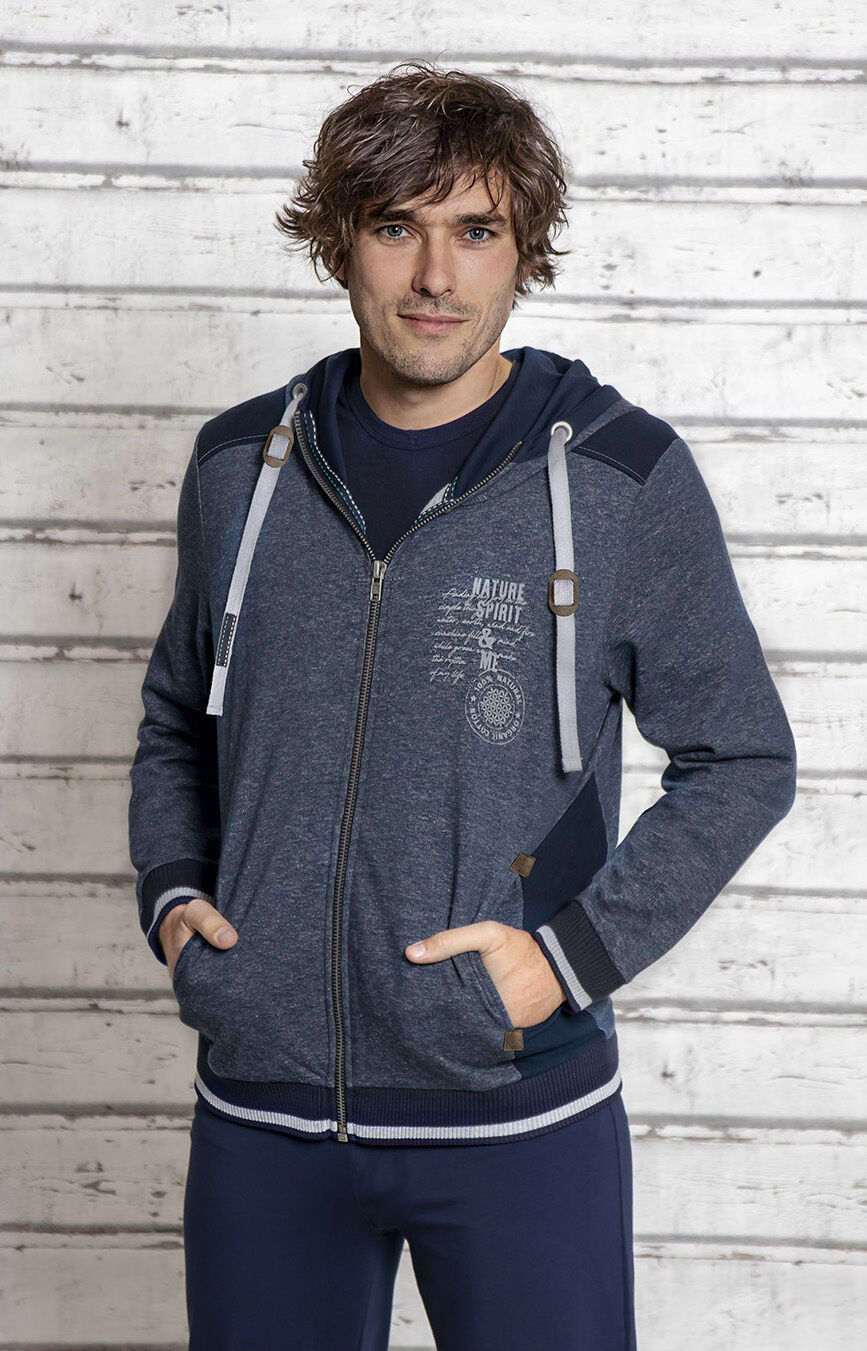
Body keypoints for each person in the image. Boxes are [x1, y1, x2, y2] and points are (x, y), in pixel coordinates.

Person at [128, 60, 797, 1351]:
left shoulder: (621, 478)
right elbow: (174, 714)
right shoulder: (235, 469)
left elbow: (743, 757)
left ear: (524, 250)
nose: (436, 275)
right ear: (339, 240)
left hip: (516, 1115)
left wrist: (564, 964)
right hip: (264, 1113)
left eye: (476, 230)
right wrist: (174, 904)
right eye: (397, 227)